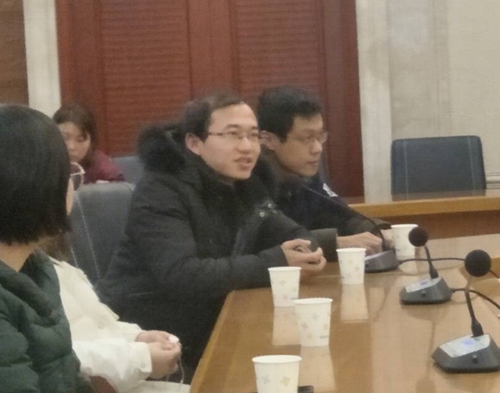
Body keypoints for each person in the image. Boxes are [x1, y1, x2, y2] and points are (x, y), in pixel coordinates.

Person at [98, 92, 326, 373]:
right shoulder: (161, 190)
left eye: (253, 136)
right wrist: (277, 261)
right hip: (154, 341)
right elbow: (182, 275)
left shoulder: (246, 186)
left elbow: (293, 234)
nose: (247, 147)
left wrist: (306, 251)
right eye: (233, 135)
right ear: (195, 143)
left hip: (215, 325)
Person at [0, 104, 106, 393]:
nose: (71, 184)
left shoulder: (36, 269)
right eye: (65, 172)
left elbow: (75, 391)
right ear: (33, 187)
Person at [257, 86, 390, 262]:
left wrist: (378, 231)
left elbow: (340, 216)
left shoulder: (305, 174)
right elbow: (266, 241)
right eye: (306, 138)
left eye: (320, 136)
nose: (317, 148)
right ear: (269, 140)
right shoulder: (251, 180)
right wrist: (334, 243)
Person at [53, 259, 188, 393]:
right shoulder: (36, 276)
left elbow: (99, 326)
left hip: (120, 388)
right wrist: (142, 358)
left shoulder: (52, 265)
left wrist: (138, 338)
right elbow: (64, 358)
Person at [53, 104, 125, 184]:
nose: (71, 147)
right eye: (64, 138)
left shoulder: (106, 172)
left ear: (91, 141)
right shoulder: (45, 164)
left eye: (80, 140)